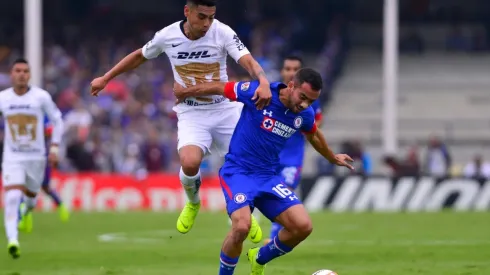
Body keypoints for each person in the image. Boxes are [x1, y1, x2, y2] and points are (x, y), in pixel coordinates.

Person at [90, 0, 270, 242]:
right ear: (187, 11)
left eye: (211, 17)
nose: (207, 23)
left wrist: (263, 81)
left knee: (243, 167)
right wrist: (106, 77)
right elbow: (139, 56)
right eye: (202, 17)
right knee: (190, 161)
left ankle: (246, 217)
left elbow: (247, 60)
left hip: (225, 110)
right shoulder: (168, 36)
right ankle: (193, 203)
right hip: (192, 113)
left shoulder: (222, 31)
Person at [174, 68, 354, 275]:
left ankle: (259, 257)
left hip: (268, 177)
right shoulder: (259, 93)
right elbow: (220, 87)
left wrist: (332, 157)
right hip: (239, 173)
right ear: (291, 85)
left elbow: (313, 135)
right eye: (303, 97)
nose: (305, 104)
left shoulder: (304, 114)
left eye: (311, 101)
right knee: (241, 227)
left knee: (303, 226)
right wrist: (186, 92)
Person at [0, 58, 64, 259]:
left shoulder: (40, 97)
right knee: (11, 197)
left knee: (30, 200)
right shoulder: (3, 98)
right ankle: (13, 241)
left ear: (29, 75)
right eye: (17, 70)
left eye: (25, 71)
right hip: (13, 157)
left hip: (36, 157)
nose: (21, 74)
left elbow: (57, 119)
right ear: (11, 74)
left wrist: (54, 146)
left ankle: (26, 211)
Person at [266, 56, 323, 244]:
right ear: (282, 71)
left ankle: (273, 238)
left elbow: (316, 125)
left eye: (295, 69)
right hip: (269, 156)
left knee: (285, 190)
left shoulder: (309, 100)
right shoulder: (271, 94)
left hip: (292, 157)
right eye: (288, 68)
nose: (291, 72)